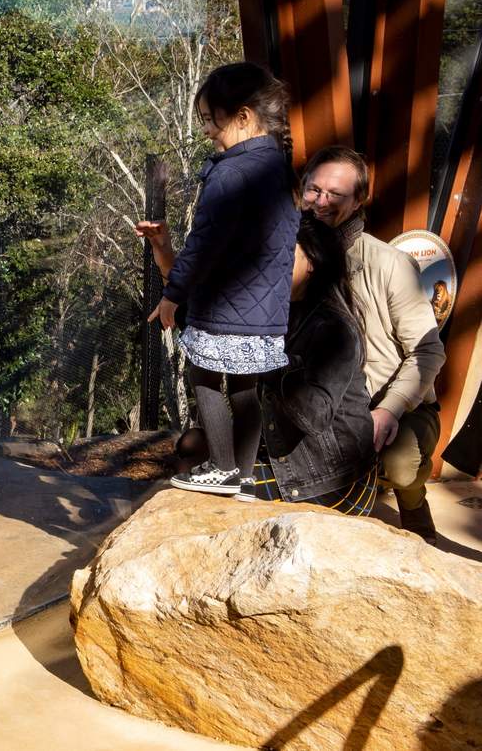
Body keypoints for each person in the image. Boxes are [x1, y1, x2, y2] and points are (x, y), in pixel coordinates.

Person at [141, 62, 301, 499]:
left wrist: (173, 294)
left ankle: (222, 468)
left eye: (212, 120)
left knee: (205, 376)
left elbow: (203, 244)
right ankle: (243, 476)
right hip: (266, 314)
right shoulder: (282, 171)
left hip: (226, 306)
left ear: (244, 117)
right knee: (246, 387)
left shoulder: (230, 173)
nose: (208, 131)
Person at [300, 145, 447, 542]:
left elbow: (429, 351)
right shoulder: (289, 255)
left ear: (359, 200)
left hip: (388, 404)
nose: (320, 202)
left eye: (335, 194)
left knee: (401, 462)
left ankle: (412, 502)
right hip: (318, 399)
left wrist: (389, 409)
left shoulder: (389, 263)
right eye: (314, 190)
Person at [249, 213, 377, 511]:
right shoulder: (282, 312)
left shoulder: (334, 328)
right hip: (300, 467)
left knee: (220, 496)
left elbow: (315, 416)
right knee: (195, 462)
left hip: (336, 482)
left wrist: (268, 358)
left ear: (313, 262)